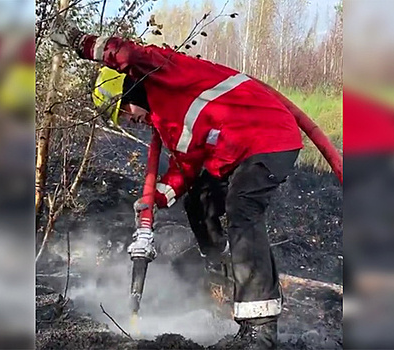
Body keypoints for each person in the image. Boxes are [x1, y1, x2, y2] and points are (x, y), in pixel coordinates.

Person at [51, 17, 304, 350]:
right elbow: (187, 166)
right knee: (198, 200)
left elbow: (125, 53)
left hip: (266, 136)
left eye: (124, 112)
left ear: (129, 88)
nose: (130, 120)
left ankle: (260, 328)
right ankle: (223, 269)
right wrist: (155, 198)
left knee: (242, 208)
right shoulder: (168, 119)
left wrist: (79, 41)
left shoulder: (163, 71)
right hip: (236, 149)